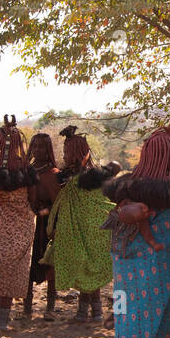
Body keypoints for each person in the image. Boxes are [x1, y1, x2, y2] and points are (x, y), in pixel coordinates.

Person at [102, 120, 170, 338]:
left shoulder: (125, 191)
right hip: (165, 269)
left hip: (125, 270)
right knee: (165, 313)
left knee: (125, 310)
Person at [41, 125, 118, 323]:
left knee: (90, 265)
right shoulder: (66, 176)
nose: (64, 155)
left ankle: (93, 312)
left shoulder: (94, 176)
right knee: (83, 266)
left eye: (68, 151)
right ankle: (87, 312)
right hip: (75, 228)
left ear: (77, 152)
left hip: (94, 229)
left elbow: (100, 200)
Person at [0, 116, 36, 334]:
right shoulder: (26, 171)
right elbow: (35, 199)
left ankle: (0, 317)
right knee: (8, 270)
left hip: (3, 226)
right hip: (16, 227)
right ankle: (2, 319)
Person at [24, 132, 62, 320]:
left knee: (49, 263)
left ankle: (50, 307)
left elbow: (57, 204)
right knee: (27, 264)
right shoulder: (25, 172)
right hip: (26, 223)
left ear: (49, 150)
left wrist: (44, 213)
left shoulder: (54, 175)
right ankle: (27, 307)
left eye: (42, 146)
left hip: (47, 225)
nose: (38, 150)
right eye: (35, 146)